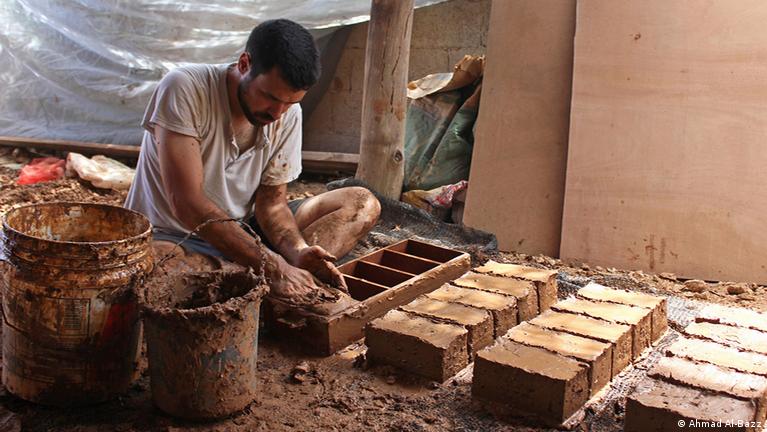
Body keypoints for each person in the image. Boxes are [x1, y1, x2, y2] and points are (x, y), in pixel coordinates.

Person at [125, 19, 381, 304]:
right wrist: (272, 265)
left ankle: (292, 282)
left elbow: (271, 204)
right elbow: (187, 204)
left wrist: (297, 250)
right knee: (152, 268)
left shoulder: (287, 114)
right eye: (270, 97)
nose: (277, 113)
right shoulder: (185, 88)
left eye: (290, 102)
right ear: (244, 64)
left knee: (361, 203)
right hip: (174, 237)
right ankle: (265, 283)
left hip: (244, 232)